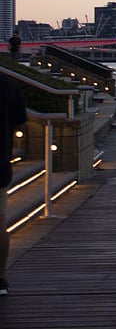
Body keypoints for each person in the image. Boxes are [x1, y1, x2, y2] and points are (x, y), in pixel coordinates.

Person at [0, 73, 27, 296]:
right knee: (0, 222)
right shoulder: (9, 84)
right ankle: (0, 278)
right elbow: (20, 119)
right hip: (0, 163)